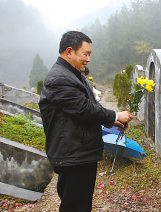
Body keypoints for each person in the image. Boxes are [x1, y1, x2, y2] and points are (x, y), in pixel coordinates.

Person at [39, 31, 133, 212]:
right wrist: (114, 116)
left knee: (80, 203)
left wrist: (112, 122)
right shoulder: (60, 78)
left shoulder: (72, 74)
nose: (88, 59)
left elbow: (83, 110)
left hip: (79, 152)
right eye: (86, 53)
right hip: (73, 155)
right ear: (69, 52)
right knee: (75, 206)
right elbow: (83, 108)